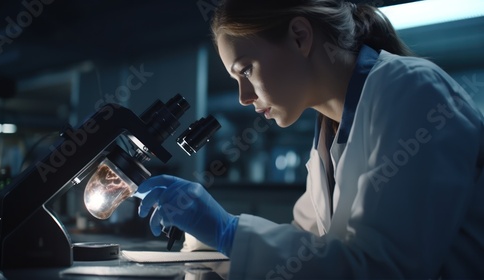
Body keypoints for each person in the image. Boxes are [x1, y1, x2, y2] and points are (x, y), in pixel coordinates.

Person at [136, 0, 484, 278]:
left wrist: (229, 231)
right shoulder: (329, 132)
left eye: (245, 70)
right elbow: (311, 248)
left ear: (300, 36)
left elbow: (386, 269)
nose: (243, 96)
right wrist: (209, 234)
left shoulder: (414, 91)